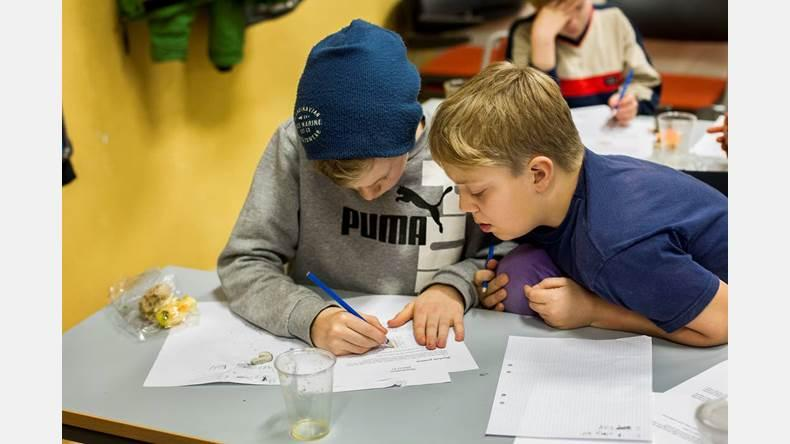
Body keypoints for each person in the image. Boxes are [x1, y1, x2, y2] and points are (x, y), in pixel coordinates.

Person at [218, 20, 497, 356]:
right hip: (326, 350)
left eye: (380, 179)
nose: (368, 196)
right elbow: (244, 262)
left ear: (409, 132)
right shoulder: (294, 145)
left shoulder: (460, 148)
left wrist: (453, 286)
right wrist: (311, 317)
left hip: (435, 346)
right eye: (345, 186)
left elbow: (504, 251)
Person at [429, 62, 727, 347]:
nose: (464, 204)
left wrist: (594, 312)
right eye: (459, 188)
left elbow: (726, 322)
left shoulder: (615, 246)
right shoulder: (570, 183)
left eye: (478, 192)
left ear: (539, 174)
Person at [508, 0, 662, 125]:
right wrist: (543, 41)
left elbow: (647, 84)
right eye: (559, 15)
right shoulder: (524, 32)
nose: (573, 23)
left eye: (579, 8)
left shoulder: (614, 18)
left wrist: (632, 103)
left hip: (612, 137)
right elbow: (526, 116)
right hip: (558, 147)